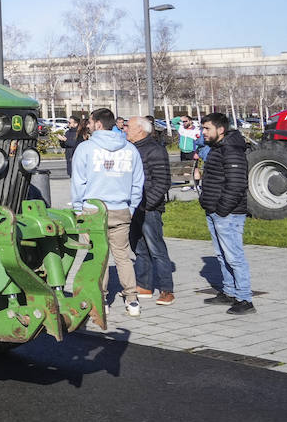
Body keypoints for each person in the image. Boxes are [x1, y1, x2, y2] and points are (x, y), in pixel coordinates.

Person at [71, 108, 145, 317]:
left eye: (90, 122)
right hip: (121, 208)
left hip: (93, 210)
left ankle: (102, 300)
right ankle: (132, 300)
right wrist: (130, 207)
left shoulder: (85, 149)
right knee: (122, 256)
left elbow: (78, 182)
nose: (88, 125)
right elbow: (137, 184)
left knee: (97, 256)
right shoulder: (130, 149)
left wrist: (78, 210)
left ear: (98, 124)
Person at [198, 113, 254, 314]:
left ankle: (245, 299)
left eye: (207, 129)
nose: (203, 132)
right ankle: (229, 291)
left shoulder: (231, 150)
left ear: (220, 130)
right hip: (214, 210)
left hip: (228, 213)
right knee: (222, 256)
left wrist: (222, 209)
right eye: (203, 128)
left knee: (234, 256)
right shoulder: (217, 148)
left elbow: (237, 183)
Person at [126, 116, 175, 305]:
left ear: (140, 129)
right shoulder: (131, 149)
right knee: (139, 248)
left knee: (157, 249)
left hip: (149, 208)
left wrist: (147, 204)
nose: (125, 130)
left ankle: (166, 289)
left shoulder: (155, 150)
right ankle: (144, 285)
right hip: (133, 207)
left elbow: (162, 182)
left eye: (128, 127)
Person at [177, 116, 202, 190]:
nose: (184, 123)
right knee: (186, 168)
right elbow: (174, 121)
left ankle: (196, 185)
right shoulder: (181, 128)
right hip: (183, 151)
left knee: (195, 169)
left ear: (191, 121)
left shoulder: (196, 130)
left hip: (192, 151)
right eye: (183, 122)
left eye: (186, 121)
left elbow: (199, 143)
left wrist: (197, 152)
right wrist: (181, 118)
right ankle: (187, 184)